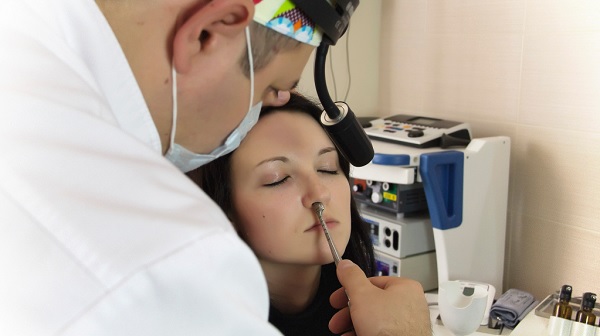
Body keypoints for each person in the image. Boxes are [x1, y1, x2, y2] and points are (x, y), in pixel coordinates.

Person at [0, 0, 430, 335]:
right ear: (208, 32)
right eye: (269, 90)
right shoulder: (168, 264)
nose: (318, 195)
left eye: (330, 168)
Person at [188, 92, 377, 335]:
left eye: (327, 169)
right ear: (225, 210)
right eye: (278, 179)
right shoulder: (203, 323)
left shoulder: (368, 309)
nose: (319, 194)